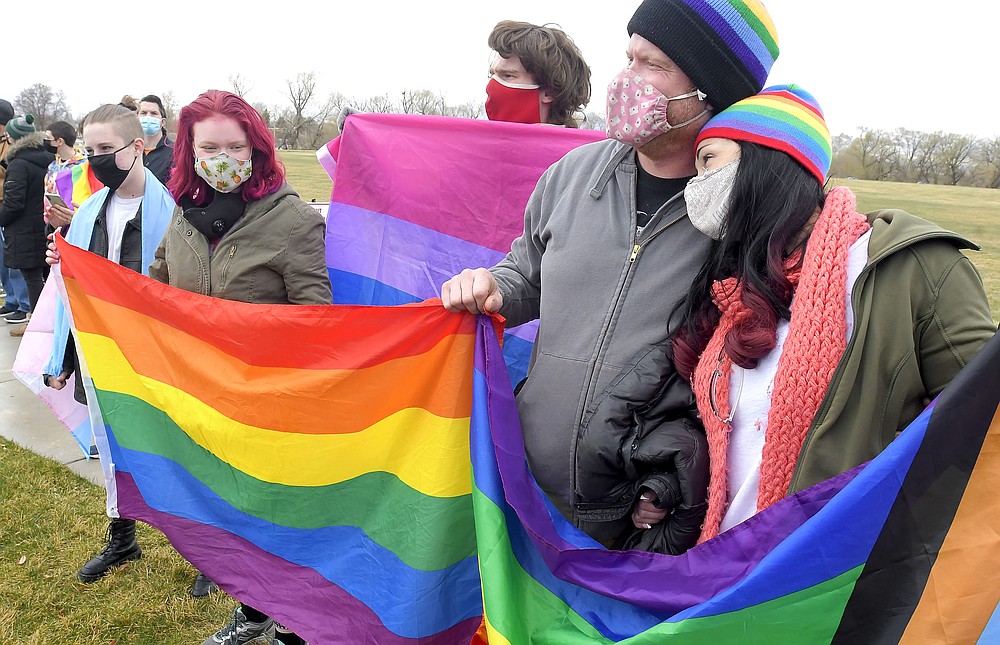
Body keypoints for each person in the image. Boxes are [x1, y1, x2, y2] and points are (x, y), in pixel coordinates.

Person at [441, 0, 780, 538]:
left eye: (654, 65)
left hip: (639, 515)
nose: (628, 80)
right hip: (524, 486)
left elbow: (753, 368)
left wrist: (672, 483)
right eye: (630, 57)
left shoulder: (740, 214)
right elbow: (525, 276)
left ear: (708, 92)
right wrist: (492, 287)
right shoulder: (571, 174)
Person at [667, 85, 996, 542]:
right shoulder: (736, 284)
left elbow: (983, 424)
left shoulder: (911, 266)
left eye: (708, 161)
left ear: (764, 160)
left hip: (837, 575)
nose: (695, 183)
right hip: (723, 571)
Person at [149, 89, 331, 645]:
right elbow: (154, 287)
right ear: (190, 150)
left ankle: (295, 621)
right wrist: (80, 272)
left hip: (269, 402)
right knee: (231, 514)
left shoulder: (294, 220)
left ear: (256, 147)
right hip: (203, 399)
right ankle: (253, 609)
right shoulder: (181, 212)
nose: (223, 157)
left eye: (236, 145)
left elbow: (317, 318)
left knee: (279, 518)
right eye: (211, 147)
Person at [43, 103, 176, 581]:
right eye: (89, 149)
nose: (95, 159)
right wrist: (62, 357)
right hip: (102, 356)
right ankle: (122, 537)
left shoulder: (172, 213)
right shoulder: (89, 214)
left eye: (105, 149)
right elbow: (71, 293)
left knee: (174, 450)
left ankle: (201, 548)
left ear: (137, 146)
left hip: (155, 360)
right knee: (110, 442)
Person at [0, 114, 53, 329]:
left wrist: (2, 219)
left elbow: (14, 203)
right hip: (42, 225)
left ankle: (37, 325)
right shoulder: (46, 158)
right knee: (44, 277)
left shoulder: (19, 164)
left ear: (14, 139)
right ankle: (45, 320)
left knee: (31, 278)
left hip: (22, 230)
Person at [485, 20, 591, 127]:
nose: (490, 86)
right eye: (492, 75)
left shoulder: (579, 144)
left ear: (549, 92)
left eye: (507, 76)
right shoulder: (477, 141)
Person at [0, 99, 32, 323]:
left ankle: (23, 303)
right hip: (7, 208)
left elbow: (11, 177)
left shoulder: (15, 151)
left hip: (10, 209)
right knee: (6, 261)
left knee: (16, 262)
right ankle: (12, 300)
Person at [43, 120, 87, 229]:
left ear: (59, 141)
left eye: (48, 138)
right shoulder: (53, 166)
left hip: (74, 224)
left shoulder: (83, 166)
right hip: (53, 223)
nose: (45, 142)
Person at [138, 94, 174, 185]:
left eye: (154, 113)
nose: (148, 117)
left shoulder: (175, 152)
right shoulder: (130, 150)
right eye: (143, 113)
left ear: (163, 122)